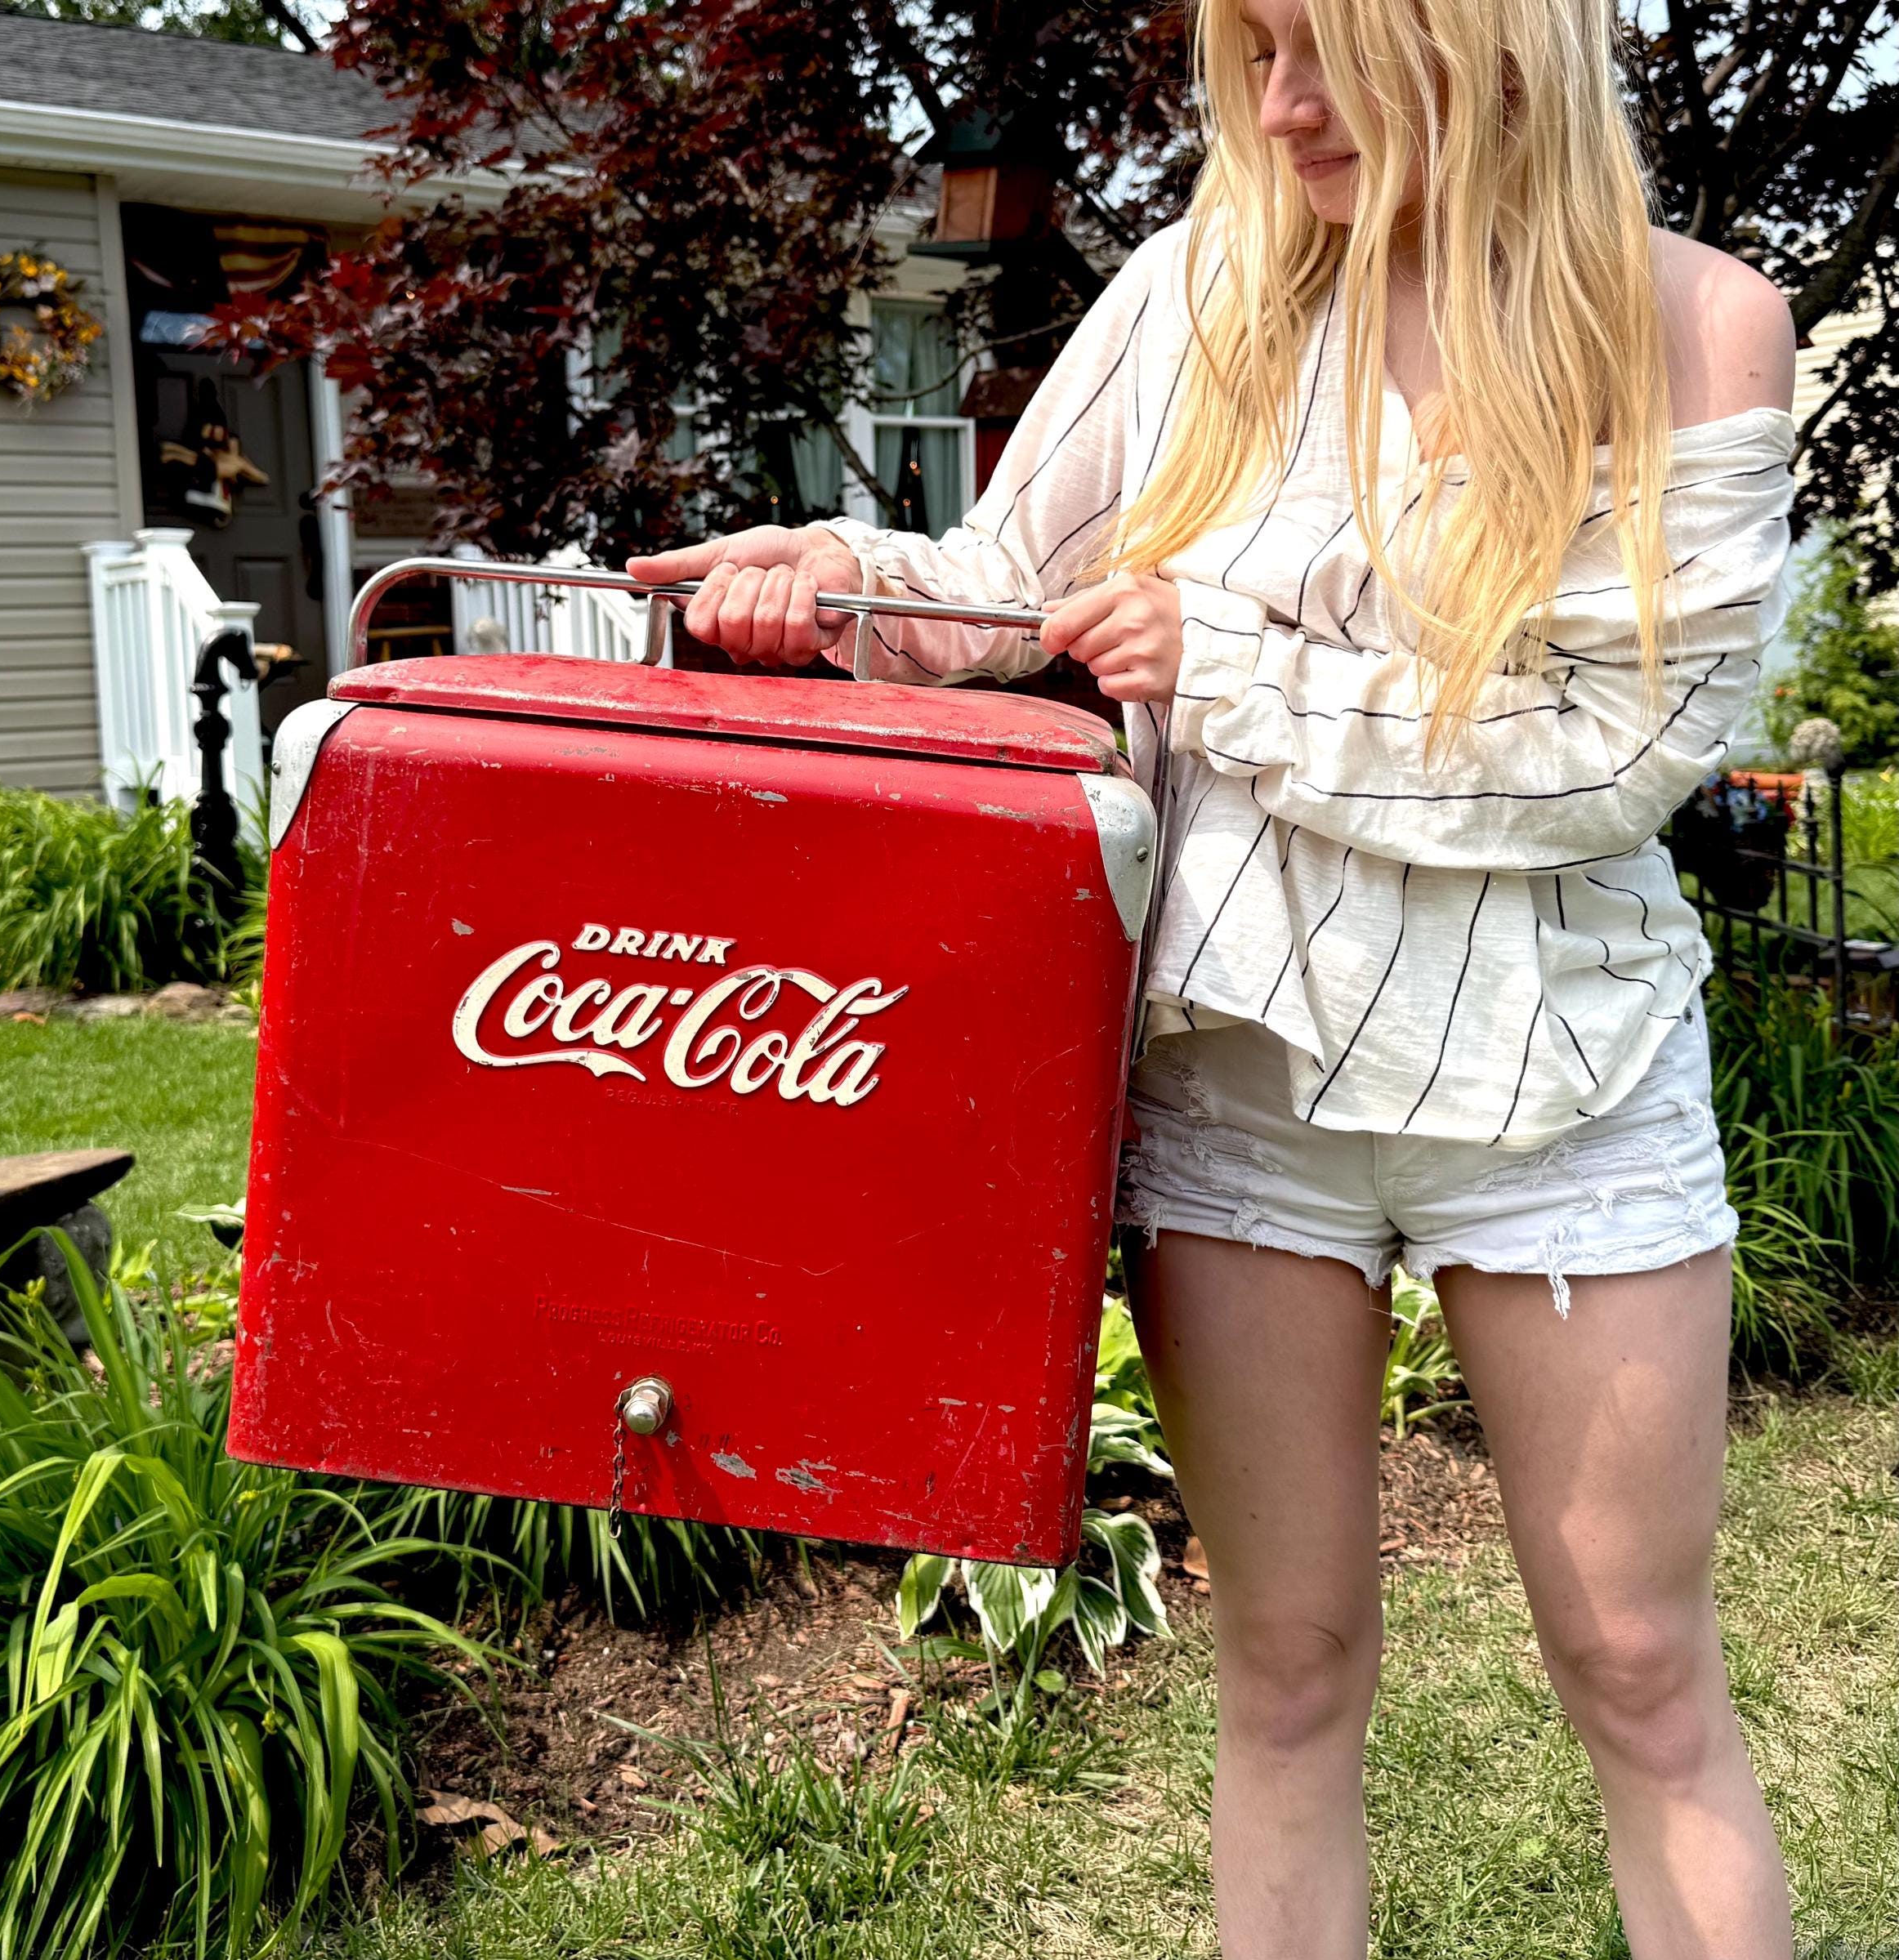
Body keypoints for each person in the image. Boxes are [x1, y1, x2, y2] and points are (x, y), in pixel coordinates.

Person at [628, 0, 1798, 1949]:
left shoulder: (1693, 323)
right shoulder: (1200, 291)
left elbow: (1614, 756)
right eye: (1252, 52)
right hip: (1237, 1082)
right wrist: (829, 578)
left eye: (1328, 50)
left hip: (1564, 1084)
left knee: (1642, 1670)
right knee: (1288, 1670)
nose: (1281, 105)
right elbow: (1007, 589)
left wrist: (1233, 664)